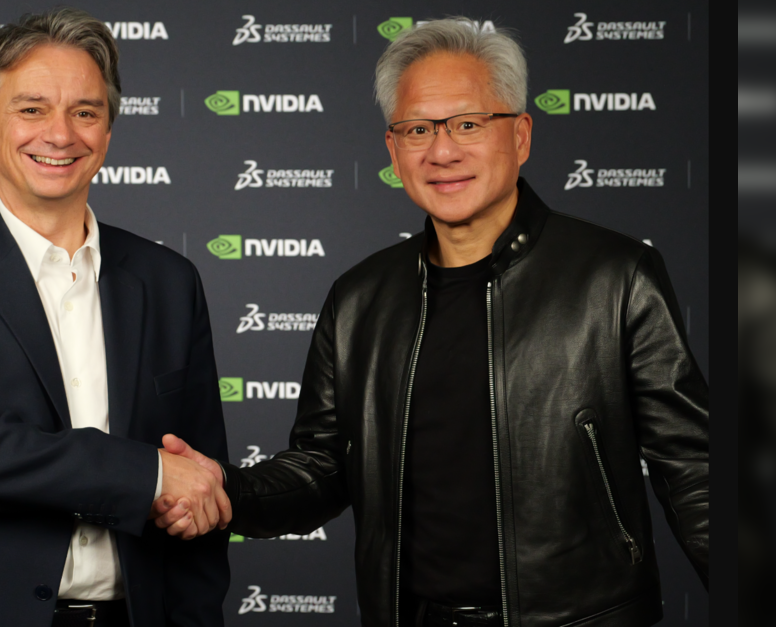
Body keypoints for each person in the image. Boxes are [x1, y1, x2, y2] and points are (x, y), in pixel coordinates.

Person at [154, 17, 709, 627]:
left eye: (468, 124)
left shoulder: (615, 275)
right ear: (393, 151)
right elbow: (322, 466)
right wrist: (226, 491)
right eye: (418, 129)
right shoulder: (359, 299)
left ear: (521, 135)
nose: (442, 152)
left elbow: (694, 469)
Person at [0, 8, 230, 627]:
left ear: (107, 130)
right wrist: (149, 475)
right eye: (32, 109)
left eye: (85, 112)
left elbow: (200, 487)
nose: (60, 135)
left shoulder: (170, 281)